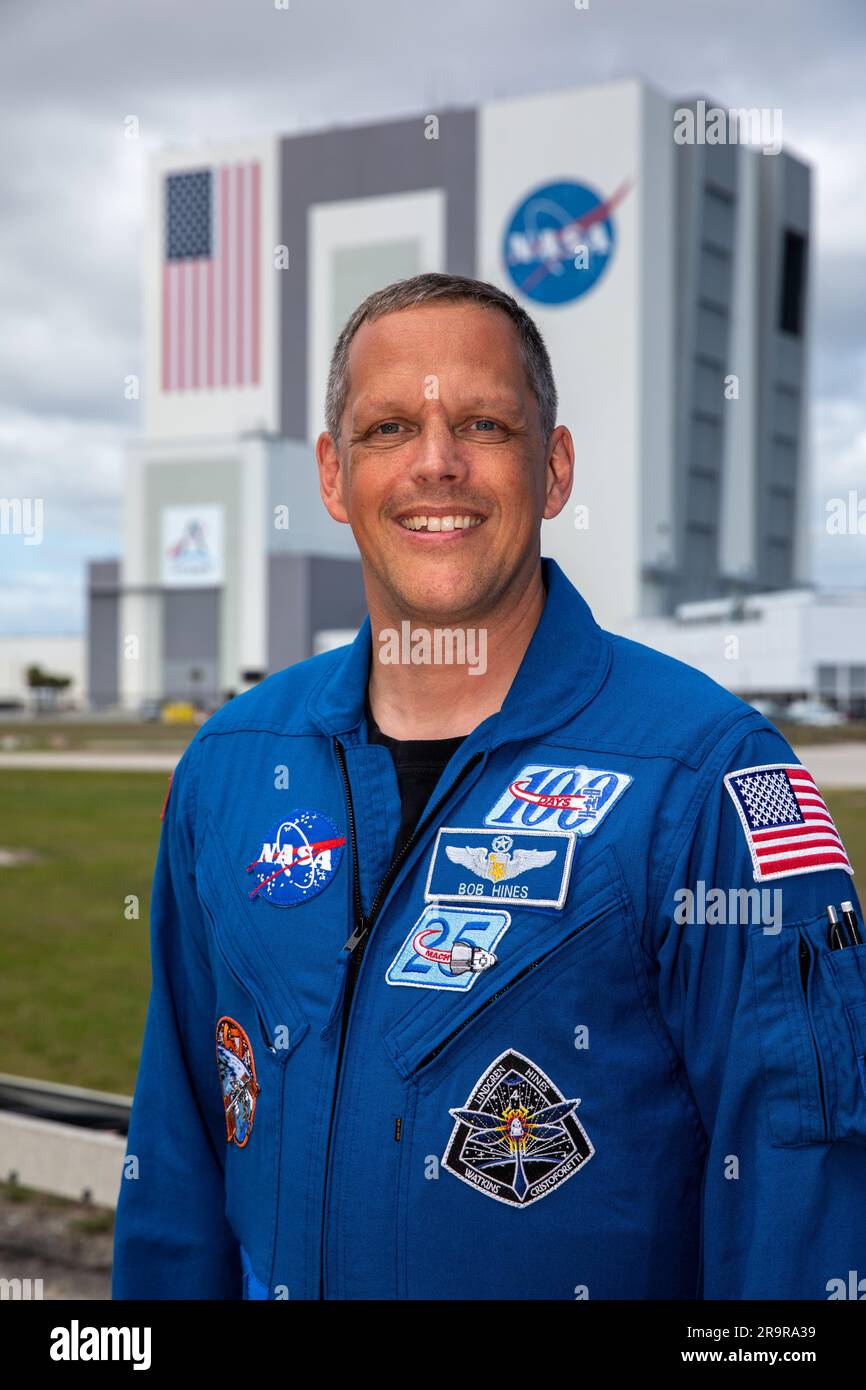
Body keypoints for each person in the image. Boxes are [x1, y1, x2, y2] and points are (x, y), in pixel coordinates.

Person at [112, 272, 866, 1301]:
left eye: (481, 422)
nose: (435, 462)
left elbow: (800, 1213)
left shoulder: (708, 780)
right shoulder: (232, 764)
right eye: (387, 428)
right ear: (332, 477)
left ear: (552, 469)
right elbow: (177, 1162)